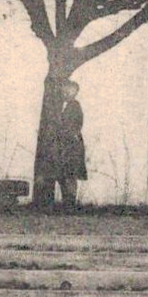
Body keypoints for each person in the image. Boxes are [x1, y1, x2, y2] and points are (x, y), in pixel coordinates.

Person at [49, 80, 87, 208]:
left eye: (68, 90)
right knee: (64, 172)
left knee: (70, 173)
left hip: (71, 143)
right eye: (64, 90)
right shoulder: (66, 106)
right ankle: (68, 201)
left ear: (74, 92)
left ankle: (70, 202)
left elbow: (76, 125)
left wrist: (69, 134)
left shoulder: (74, 106)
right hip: (64, 142)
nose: (64, 93)